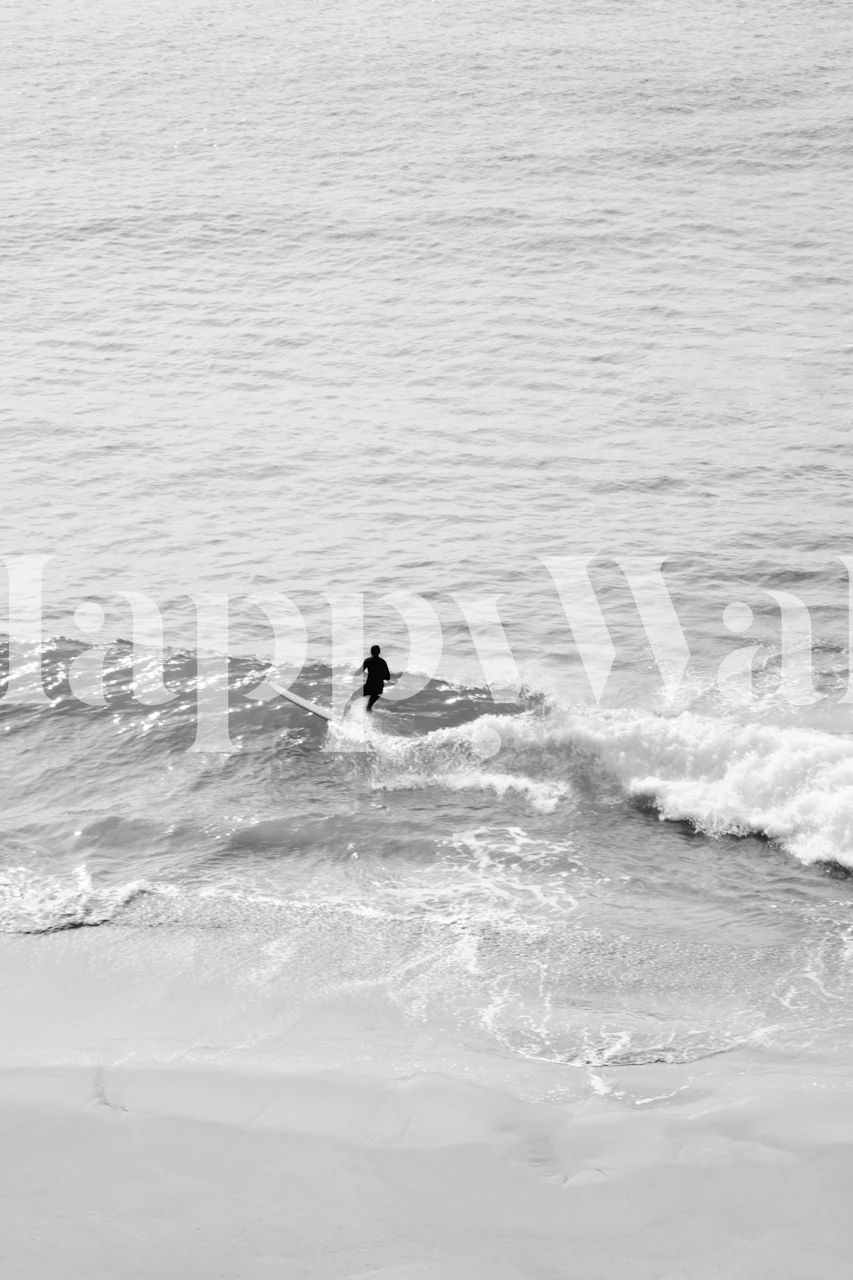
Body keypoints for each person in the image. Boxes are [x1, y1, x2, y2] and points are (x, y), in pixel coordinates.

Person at [360, 644, 391, 712]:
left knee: (353, 698)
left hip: (370, 685)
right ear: (379, 652)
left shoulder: (368, 661)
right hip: (379, 688)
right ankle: (368, 721)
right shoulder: (383, 662)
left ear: (371, 652)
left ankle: (344, 718)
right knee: (368, 707)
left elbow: (359, 673)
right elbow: (388, 677)